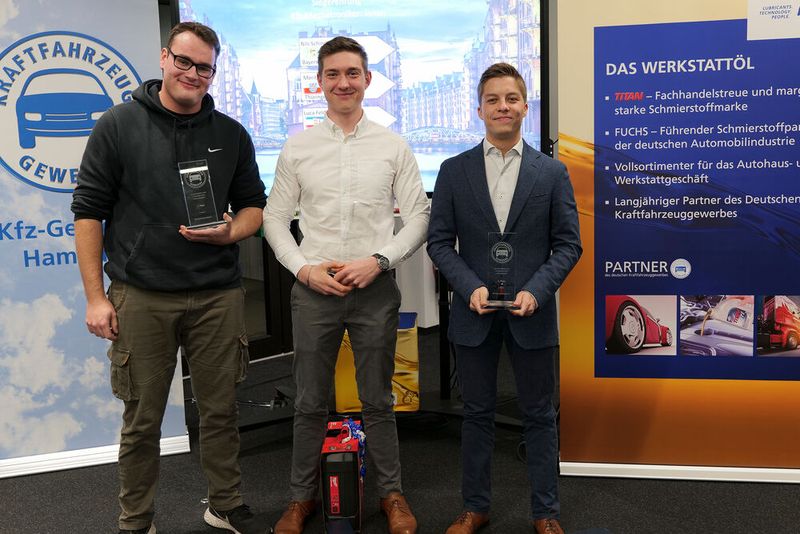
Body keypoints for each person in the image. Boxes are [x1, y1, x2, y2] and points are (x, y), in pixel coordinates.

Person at [71, 22, 266, 534]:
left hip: (217, 294)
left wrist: (230, 234)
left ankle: (224, 504)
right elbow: (88, 211)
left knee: (222, 411)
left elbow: (253, 208)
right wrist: (96, 297)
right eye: (184, 61)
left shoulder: (231, 134)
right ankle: (136, 521)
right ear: (164, 58)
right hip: (141, 295)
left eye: (204, 68)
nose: (192, 74)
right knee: (142, 420)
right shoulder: (117, 125)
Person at [263, 36, 429, 534]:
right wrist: (303, 268)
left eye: (352, 73)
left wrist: (379, 260)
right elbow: (274, 219)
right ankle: (300, 499)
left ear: (367, 80)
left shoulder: (392, 145)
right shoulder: (299, 147)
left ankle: (391, 495)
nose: (343, 82)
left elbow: (419, 216)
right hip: (315, 289)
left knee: (377, 398)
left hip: (374, 287)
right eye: (332, 74)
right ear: (319, 84)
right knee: (310, 400)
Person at [426, 63, 582, 534]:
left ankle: (545, 513)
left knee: (539, 414)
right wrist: (468, 285)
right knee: (475, 415)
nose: (502, 106)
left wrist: (537, 291)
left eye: (511, 98)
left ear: (525, 107)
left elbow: (569, 244)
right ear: (479, 109)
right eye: (493, 99)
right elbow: (438, 242)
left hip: (531, 315)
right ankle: (475, 506)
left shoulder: (551, 173)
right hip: (473, 313)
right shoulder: (453, 172)